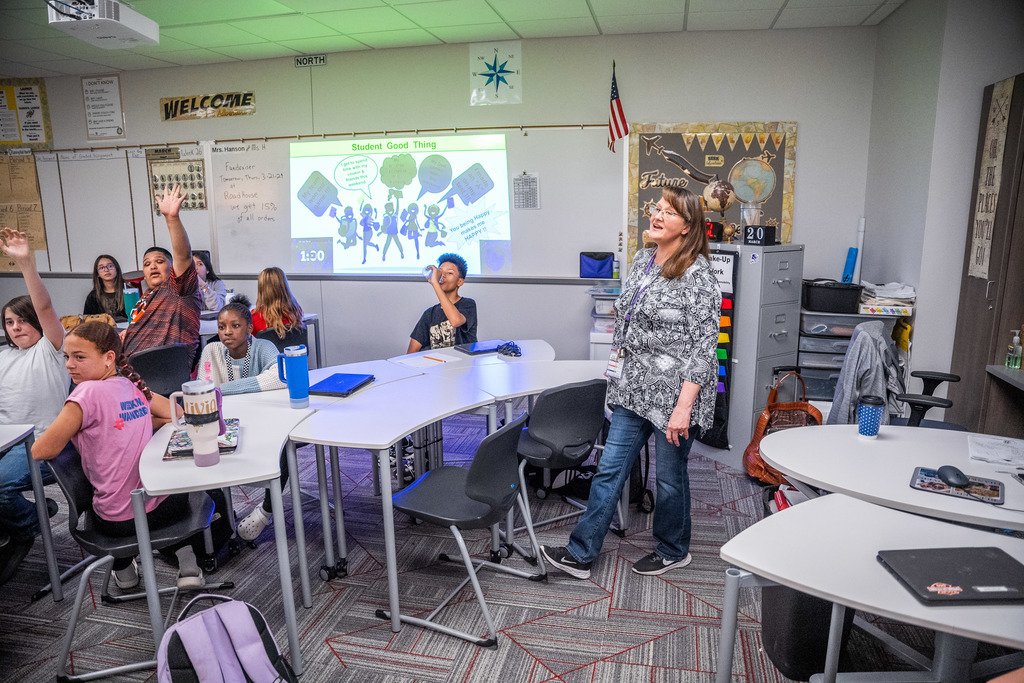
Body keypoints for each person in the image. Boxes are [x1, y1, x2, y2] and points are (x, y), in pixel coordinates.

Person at [541, 186, 720, 579]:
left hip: (676, 395)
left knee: (670, 479)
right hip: (634, 388)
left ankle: (674, 549)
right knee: (609, 470)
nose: (656, 216)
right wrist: (616, 373)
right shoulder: (642, 259)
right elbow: (628, 318)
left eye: (668, 212)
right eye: (656, 208)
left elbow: (705, 347)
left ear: (687, 227)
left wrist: (684, 407)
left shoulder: (699, 274)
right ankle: (581, 553)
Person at [30, 321, 209, 591]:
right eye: (67, 357)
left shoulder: (85, 394)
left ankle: (124, 572)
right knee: (178, 490)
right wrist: (139, 423)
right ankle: (187, 564)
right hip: (163, 513)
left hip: (115, 522)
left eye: (79, 357)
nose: (69, 364)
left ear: (108, 358)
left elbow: (40, 450)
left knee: (119, 504)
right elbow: (177, 412)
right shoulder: (129, 385)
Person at [0, 228, 71, 584]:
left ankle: (31, 522)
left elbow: (44, 306)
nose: (16, 328)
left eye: (22, 320)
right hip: (7, 443)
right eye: (9, 323)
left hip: (43, 443)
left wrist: (26, 263)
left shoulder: (52, 349)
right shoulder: (3, 356)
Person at [196, 296, 290, 541]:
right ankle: (222, 516)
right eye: (221, 327)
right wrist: (215, 390)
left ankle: (266, 511)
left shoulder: (263, 347)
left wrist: (223, 389)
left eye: (235, 326)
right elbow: (202, 389)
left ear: (249, 328)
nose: (227, 332)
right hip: (224, 423)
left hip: (264, 422)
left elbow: (280, 377)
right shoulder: (211, 350)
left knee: (282, 451)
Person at [121, 185, 201, 359]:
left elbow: (184, 256)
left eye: (159, 261)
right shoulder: (144, 298)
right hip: (129, 368)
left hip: (163, 370)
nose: (152, 267)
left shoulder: (178, 289)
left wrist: (172, 219)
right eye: (147, 264)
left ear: (172, 267)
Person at [407, 252, 477, 353]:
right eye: (440, 272)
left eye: (449, 273)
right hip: (436, 366)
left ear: (460, 282)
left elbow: (456, 321)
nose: (442, 276)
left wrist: (435, 283)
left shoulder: (468, 304)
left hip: (463, 366)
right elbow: (411, 353)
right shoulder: (429, 313)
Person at [252, 267, 304, 339]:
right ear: (284, 286)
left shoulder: (254, 318)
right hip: (289, 350)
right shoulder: (296, 311)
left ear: (261, 290)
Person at [83, 254, 128, 322]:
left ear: (117, 269)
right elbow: (87, 321)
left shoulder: (129, 291)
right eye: (101, 268)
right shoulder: (93, 297)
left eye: (110, 266)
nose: (106, 270)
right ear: (97, 273)